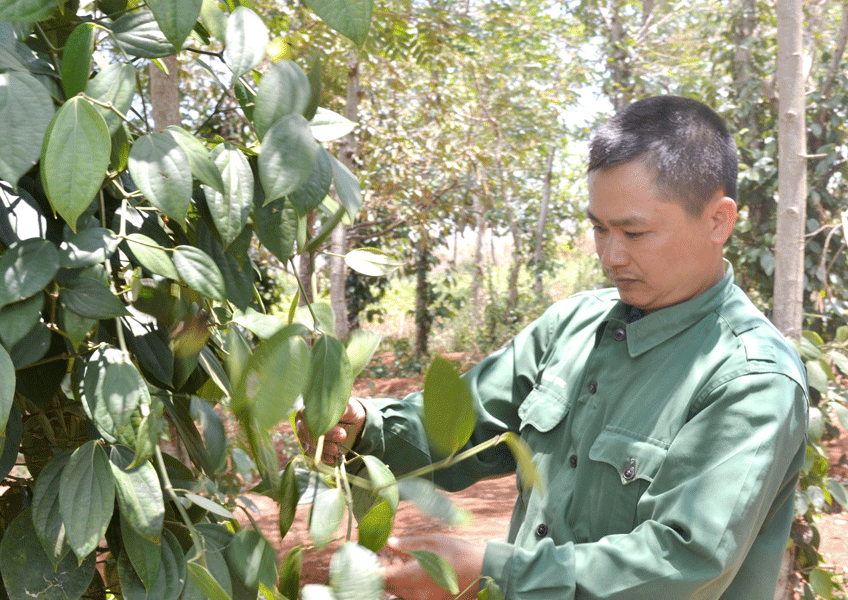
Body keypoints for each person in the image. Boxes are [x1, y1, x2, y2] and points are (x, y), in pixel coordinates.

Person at [297, 95, 808, 600]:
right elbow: (457, 429)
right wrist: (366, 425)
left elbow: (680, 562)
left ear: (720, 220)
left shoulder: (751, 380)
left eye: (634, 231)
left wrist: (497, 573)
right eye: (599, 227)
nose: (611, 255)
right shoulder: (572, 326)